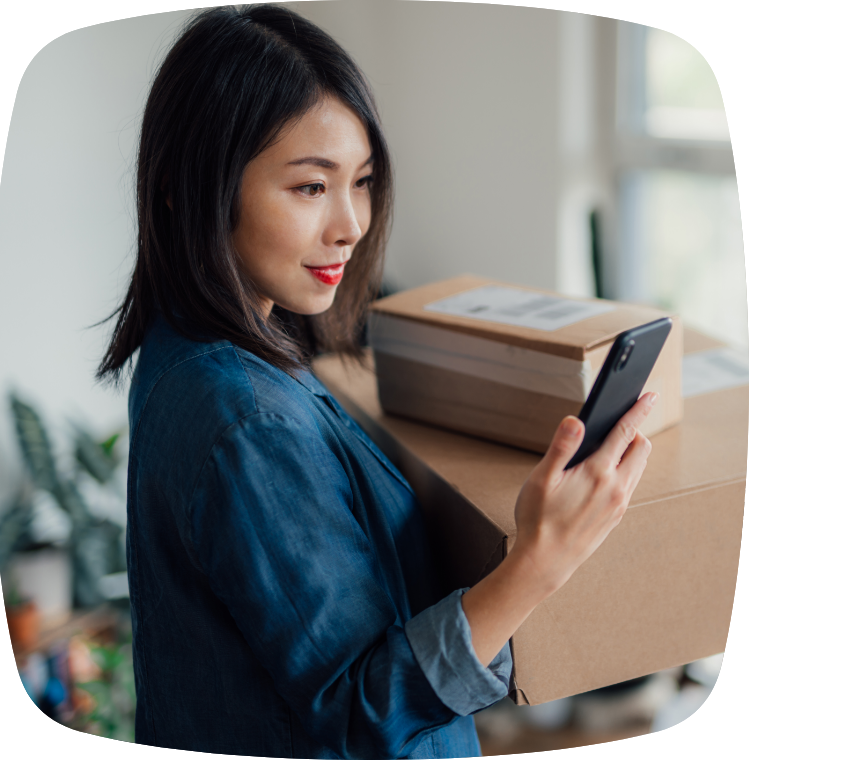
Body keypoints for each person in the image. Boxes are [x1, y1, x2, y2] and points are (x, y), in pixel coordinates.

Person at [96, 6, 656, 758]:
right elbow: (363, 711)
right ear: (188, 189)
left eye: (360, 182)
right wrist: (538, 561)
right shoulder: (244, 417)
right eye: (309, 188)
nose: (351, 224)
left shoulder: (197, 349)